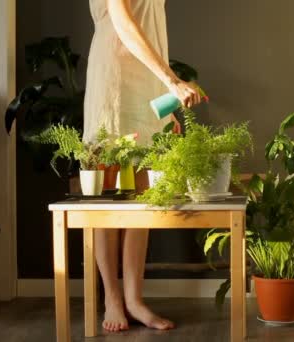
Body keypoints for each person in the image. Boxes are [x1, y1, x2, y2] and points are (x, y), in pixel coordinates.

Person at [83, 0, 201, 333]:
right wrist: (172, 81)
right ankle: (112, 297)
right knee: (106, 197)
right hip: (115, 78)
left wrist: (166, 97)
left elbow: (149, 26)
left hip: (147, 81)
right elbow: (122, 21)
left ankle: (135, 298)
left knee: (143, 198)